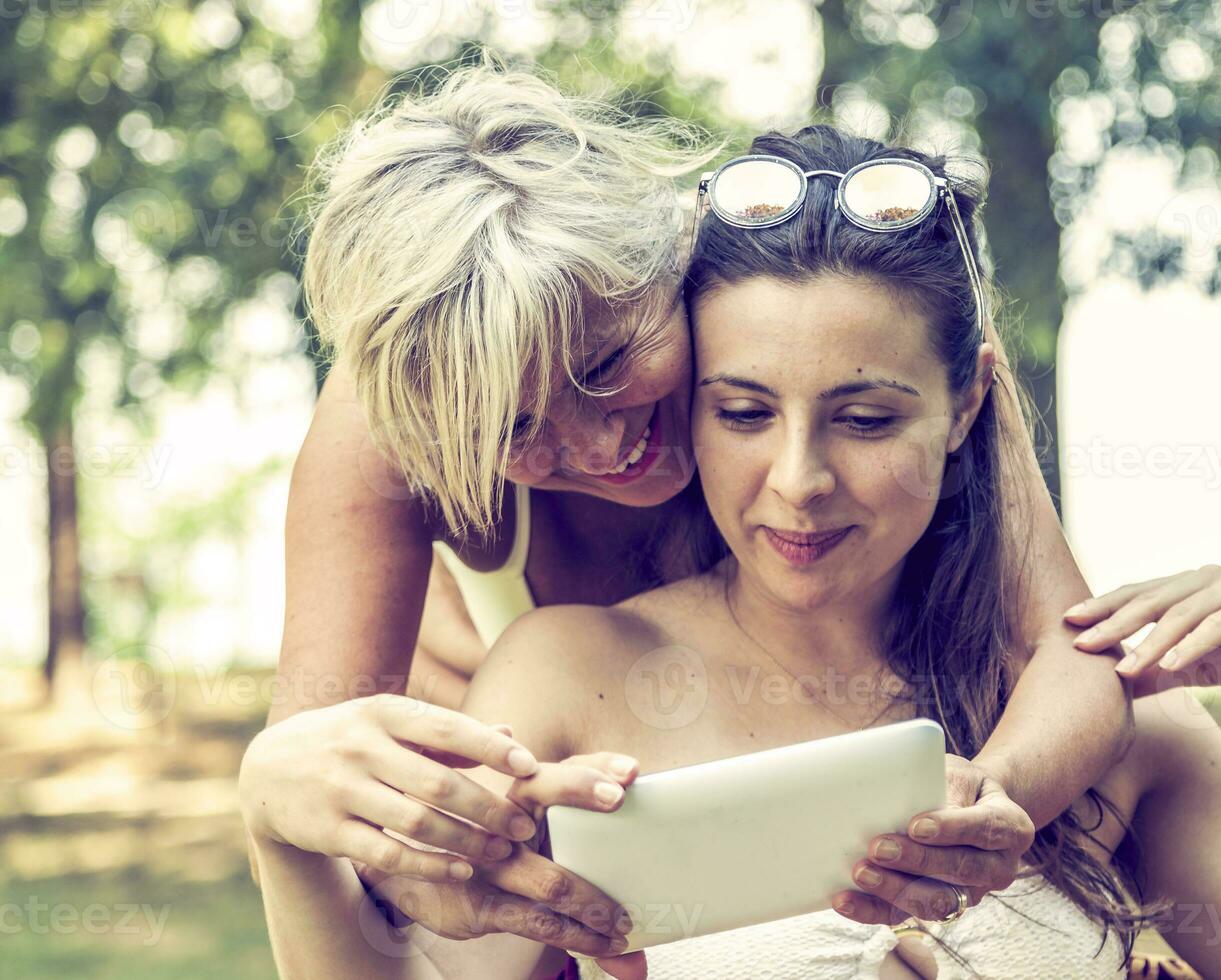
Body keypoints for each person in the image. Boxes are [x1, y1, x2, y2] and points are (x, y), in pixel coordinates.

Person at [245, 124, 1221, 979]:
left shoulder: (1107, 721)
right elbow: (331, 790)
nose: (796, 476)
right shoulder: (557, 681)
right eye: (740, 411)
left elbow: (1073, 646)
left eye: (867, 415)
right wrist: (282, 815)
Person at [248, 59, 1134, 968]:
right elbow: (321, 766)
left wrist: (992, 799)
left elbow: (1074, 643)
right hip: (550, 774)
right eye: (514, 427)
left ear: (667, 264)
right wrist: (424, 848)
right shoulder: (391, 423)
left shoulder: (794, 308)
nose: (596, 447)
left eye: (605, 366)